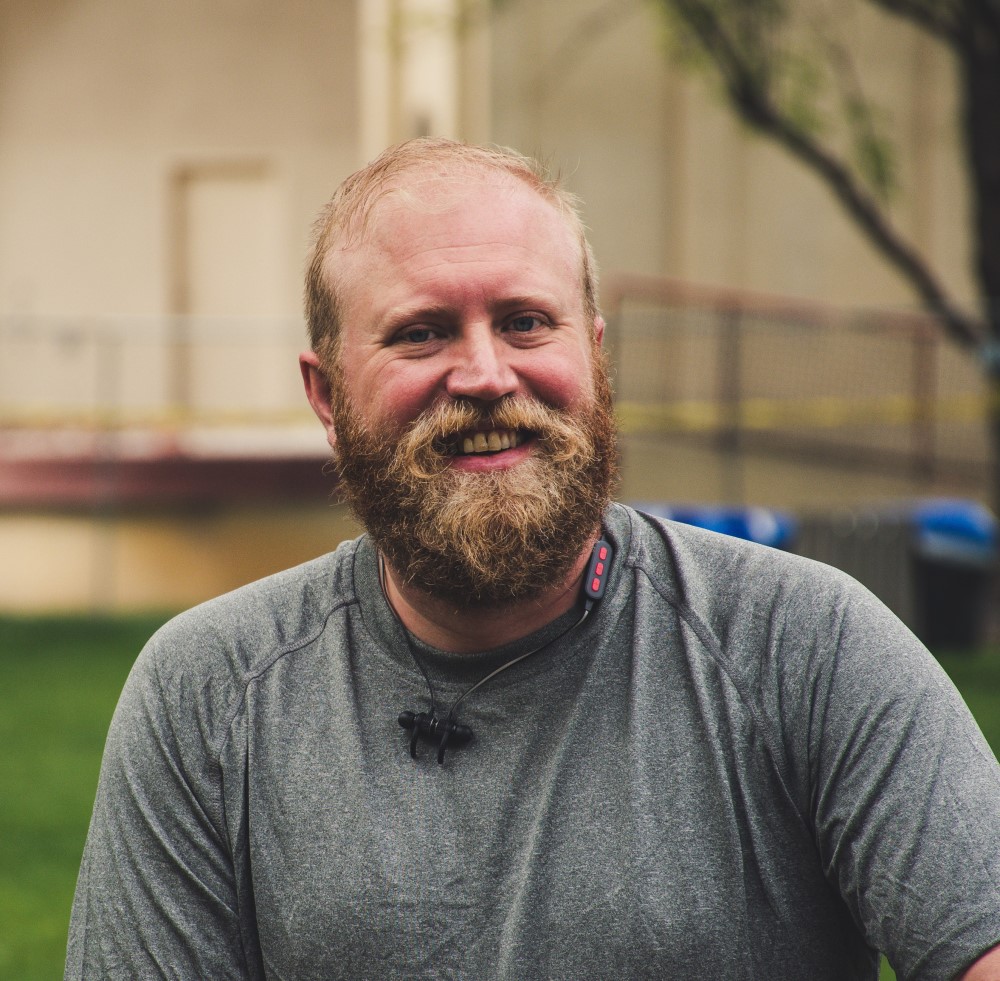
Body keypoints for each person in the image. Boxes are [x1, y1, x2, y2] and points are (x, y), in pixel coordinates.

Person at [66, 138, 1000, 980]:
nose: (485, 375)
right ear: (326, 393)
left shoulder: (807, 647)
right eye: (420, 331)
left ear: (594, 358)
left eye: (524, 321)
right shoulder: (208, 697)